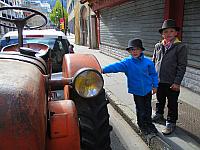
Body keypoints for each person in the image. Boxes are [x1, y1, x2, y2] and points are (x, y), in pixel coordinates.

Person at [102, 38, 158, 135]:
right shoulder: (127, 63)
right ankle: (141, 124)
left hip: (147, 90)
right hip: (137, 91)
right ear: (129, 51)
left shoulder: (148, 62)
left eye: (136, 49)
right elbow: (116, 66)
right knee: (140, 109)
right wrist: (103, 70)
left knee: (148, 108)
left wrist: (155, 86)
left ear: (141, 50)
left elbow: (153, 74)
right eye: (132, 49)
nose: (134, 51)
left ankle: (149, 124)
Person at [152, 19, 188, 135]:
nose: (168, 34)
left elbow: (182, 66)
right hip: (159, 81)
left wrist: (177, 82)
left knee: (172, 103)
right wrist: (152, 79)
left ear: (176, 33)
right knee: (159, 100)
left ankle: (171, 122)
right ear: (162, 34)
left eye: (171, 31)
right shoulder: (158, 46)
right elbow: (153, 62)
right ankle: (159, 115)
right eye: (166, 32)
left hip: (172, 82)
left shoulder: (180, 47)